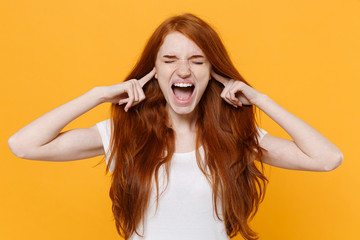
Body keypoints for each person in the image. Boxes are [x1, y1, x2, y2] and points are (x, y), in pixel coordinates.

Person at [8, 13, 343, 240]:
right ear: (153, 71)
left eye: (197, 61)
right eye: (169, 60)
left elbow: (327, 159)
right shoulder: (125, 134)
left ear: (213, 72)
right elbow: (23, 145)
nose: (183, 70)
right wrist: (97, 95)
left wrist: (261, 99)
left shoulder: (237, 137)